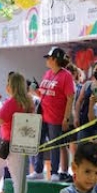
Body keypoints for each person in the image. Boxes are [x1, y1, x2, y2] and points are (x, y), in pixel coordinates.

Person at [30, 47, 75, 182]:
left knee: (55, 144)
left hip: (56, 117)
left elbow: (70, 97)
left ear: (54, 59)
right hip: (42, 115)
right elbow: (44, 93)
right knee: (39, 142)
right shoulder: (47, 74)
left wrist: (66, 117)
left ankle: (55, 172)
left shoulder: (66, 75)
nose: (47, 60)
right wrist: (35, 90)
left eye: (49, 58)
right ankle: (38, 170)